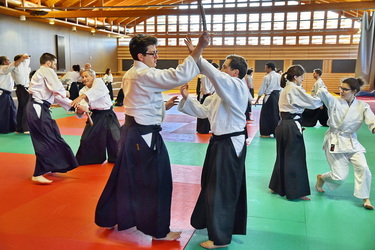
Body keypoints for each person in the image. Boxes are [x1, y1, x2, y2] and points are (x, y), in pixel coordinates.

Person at [94, 32, 208, 241]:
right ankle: (158, 230)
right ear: (140, 56)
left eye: (157, 53)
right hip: (143, 136)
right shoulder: (142, 74)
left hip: (133, 133)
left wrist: (163, 107)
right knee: (158, 181)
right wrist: (199, 49)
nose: (156, 57)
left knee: (125, 178)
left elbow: (140, 102)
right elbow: (176, 76)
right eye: (153, 53)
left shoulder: (134, 74)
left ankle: (110, 216)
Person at [179, 38, 249, 249]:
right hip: (218, 143)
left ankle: (220, 238)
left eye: (226, 66)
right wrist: (187, 98)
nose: (222, 69)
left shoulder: (236, 86)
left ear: (235, 72)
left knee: (221, 189)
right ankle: (212, 224)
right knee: (211, 186)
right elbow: (203, 112)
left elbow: (215, 75)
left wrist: (198, 54)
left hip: (229, 143)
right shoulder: (220, 94)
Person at [315, 77, 374, 210]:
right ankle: (322, 178)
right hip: (334, 140)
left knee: (363, 167)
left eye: (345, 89)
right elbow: (324, 93)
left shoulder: (362, 106)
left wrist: (374, 127)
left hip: (352, 142)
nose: (341, 91)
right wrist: (321, 86)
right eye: (340, 88)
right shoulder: (334, 101)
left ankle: (366, 198)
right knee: (339, 177)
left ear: (354, 91)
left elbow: (371, 119)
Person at [269, 65, 322, 201]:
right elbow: (311, 102)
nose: (303, 80)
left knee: (282, 156)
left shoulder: (286, 88)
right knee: (295, 159)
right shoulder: (294, 88)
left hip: (283, 125)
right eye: (302, 77)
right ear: (295, 77)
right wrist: (322, 97)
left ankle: (276, 186)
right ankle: (295, 191)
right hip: (291, 125)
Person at [26, 52, 79, 184]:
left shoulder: (42, 73)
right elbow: (57, 89)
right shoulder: (46, 70)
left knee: (52, 136)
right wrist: (65, 92)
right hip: (37, 108)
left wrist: (73, 104)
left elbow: (55, 96)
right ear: (49, 63)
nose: (55, 67)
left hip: (39, 108)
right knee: (45, 139)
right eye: (54, 64)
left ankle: (48, 166)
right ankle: (38, 173)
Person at [71, 69, 120, 165]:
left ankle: (116, 158)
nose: (84, 79)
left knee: (116, 138)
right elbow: (84, 105)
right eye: (83, 77)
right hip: (96, 115)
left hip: (108, 114)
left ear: (93, 76)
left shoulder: (99, 82)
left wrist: (80, 98)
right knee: (86, 139)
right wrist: (81, 109)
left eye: (86, 76)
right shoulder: (83, 90)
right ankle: (93, 159)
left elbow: (95, 92)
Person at [0, 54, 29, 134]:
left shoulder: (9, 69)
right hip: (2, 93)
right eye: (8, 60)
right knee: (3, 112)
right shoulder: (2, 68)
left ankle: (13, 128)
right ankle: (3, 129)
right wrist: (22, 58)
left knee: (11, 111)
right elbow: (13, 65)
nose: (9, 62)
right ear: (4, 62)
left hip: (7, 93)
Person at [254, 62, 282, 137]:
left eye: (266, 68)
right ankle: (277, 133)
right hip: (277, 96)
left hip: (269, 97)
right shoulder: (279, 76)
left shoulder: (267, 77)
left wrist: (257, 99)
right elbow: (282, 88)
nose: (264, 69)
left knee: (266, 115)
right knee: (276, 114)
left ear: (270, 68)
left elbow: (262, 89)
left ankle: (266, 133)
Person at [196, 62, 219, 134]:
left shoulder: (214, 76)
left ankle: (208, 128)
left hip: (211, 95)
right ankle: (202, 129)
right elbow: (205, 87)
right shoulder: (204, 76)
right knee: (203, 112)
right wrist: (209, 94)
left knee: (210, 113)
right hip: (205, 95)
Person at [12, 54, 31, 134]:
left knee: (21, 108)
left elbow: (27, 61)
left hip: (21, 89)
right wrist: (23, 57)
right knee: (26, 108)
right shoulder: (17, 67)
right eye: (23, 60)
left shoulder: (20, 67)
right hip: (23, 88)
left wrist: (25, 57)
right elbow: (25, 61)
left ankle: (19, 128)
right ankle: (26, 128)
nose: (25, 61)